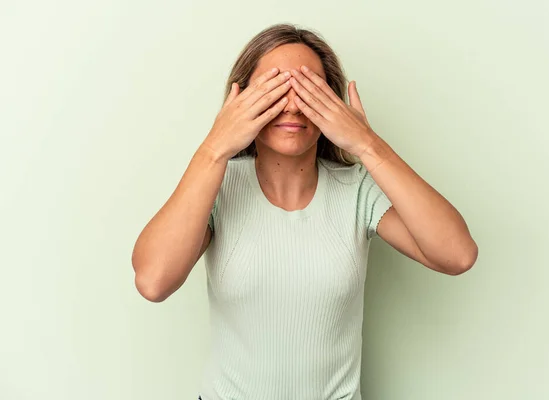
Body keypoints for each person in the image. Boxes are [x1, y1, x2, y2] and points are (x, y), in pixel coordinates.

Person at [131, 23, 478, 400]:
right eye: (275, 89)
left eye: (310, 90)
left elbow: (457, 254)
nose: (293, 105)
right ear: (242, 101)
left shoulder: (356, 189)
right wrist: (215, 147)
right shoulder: (216, 186)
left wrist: (367, 144)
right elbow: (153, 281)